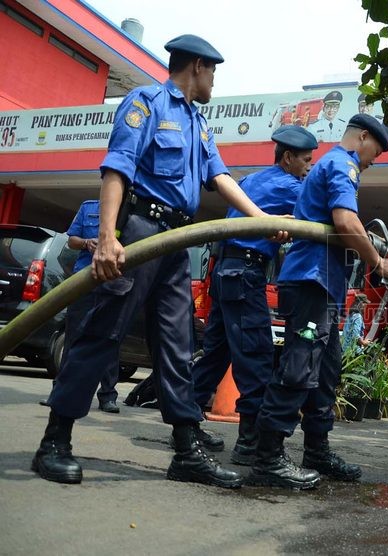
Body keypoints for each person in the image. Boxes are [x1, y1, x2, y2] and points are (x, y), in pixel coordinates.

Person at [32, 34, 287, 489]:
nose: (214, 82)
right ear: (196, 67)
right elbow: (118, 167)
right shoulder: (146, 102)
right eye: (213, 72)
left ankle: (186, 449)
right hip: (139, 234)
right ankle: (55, 440)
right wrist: (107, 237)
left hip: (176, 241)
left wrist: (262, 220)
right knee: (101, 333)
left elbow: (220, 176)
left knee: (177, 343)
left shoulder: (197, 122)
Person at [249, 114, 388, 489]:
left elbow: (347, 228)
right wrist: (378, 262)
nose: (373, 160)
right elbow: (347, 223)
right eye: (375, 152)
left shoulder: (337, 166)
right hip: (310, 282)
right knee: (300, 369)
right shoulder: (340, 165)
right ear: (362, 137)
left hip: (324, 286)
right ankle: (267, 458)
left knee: (326, 374)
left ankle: (317, 450)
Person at [191, 124, 317, 466]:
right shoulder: (292, 186)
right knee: (256, 353)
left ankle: (186, 426)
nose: (309, 166)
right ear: (288, 158)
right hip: (246, 274)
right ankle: (249, 442)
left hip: (225, 272)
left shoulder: (250, 181)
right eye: (306, 160)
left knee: (216, 352)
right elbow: (321, 217)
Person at [65, 200, 121, 414]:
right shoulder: (88, 207)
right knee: (74, 336)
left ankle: (108, 396)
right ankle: (62, 391)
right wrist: (86, 243)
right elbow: (71, 240)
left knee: (110, 338)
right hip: (84, 279)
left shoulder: (129, 209)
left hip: (113, 280)